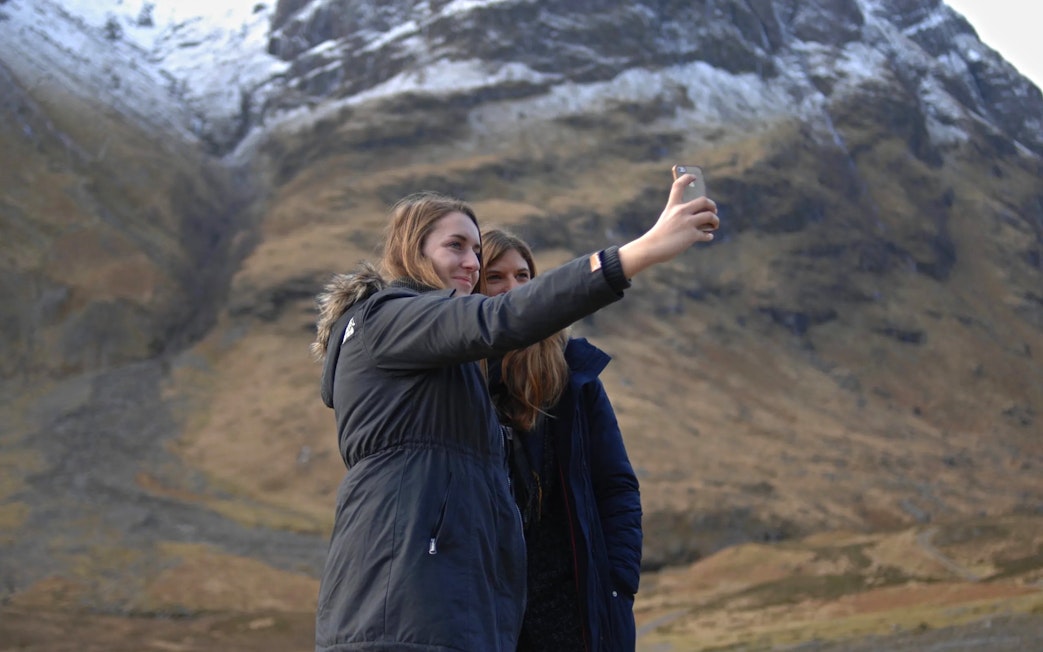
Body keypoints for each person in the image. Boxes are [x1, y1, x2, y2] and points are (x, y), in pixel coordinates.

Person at [310, 176, 718, 652]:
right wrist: (638, 253)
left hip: (447, 610)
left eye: (476, 250)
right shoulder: (388, 317)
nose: (471, 263)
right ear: (411, 249)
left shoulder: (450, 362)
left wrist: (614, 582)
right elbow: (499, 318)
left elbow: (613, 486)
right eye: (455, 246)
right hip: (405, 608)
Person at [479, 228, 642, 652]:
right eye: (495, 277)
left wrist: (617, 582)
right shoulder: (455, 380)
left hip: (574, 605)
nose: (512, 289)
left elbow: (616, 485)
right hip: (488, 610)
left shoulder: (572, 374)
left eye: (523, 276)